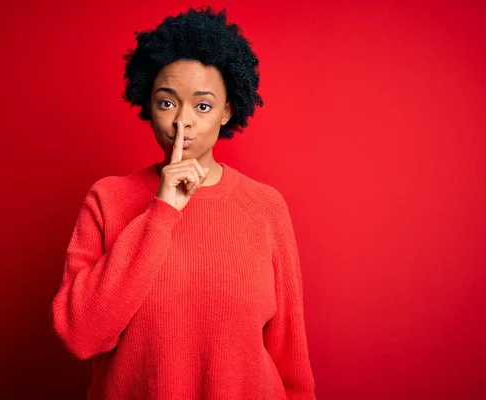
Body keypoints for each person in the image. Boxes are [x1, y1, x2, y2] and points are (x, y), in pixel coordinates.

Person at [50, 6, 316, 399]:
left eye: (203, 106)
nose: (182, 122)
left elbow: (290, 355)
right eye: (167, 102)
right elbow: (81, 334)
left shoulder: (264, 207)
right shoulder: (107, 199)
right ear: (148, 105)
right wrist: (161, 213)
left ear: (227, 111)